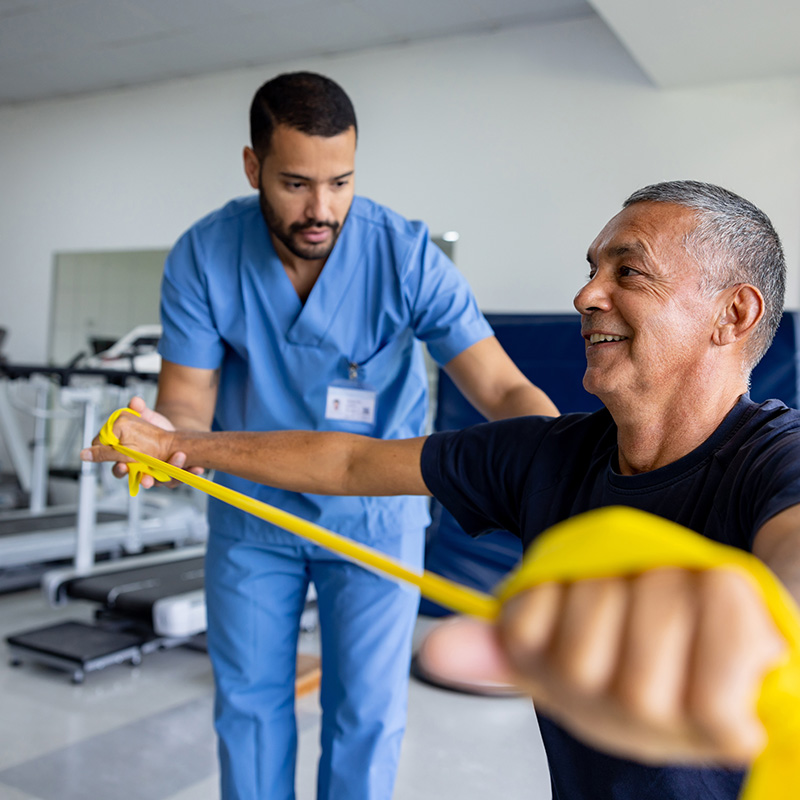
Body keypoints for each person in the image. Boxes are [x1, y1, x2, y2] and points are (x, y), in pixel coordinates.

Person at [85, 179, 800, 799]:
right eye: (591, 269)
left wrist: (759, 618)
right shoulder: (547, 455)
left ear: (732, 314)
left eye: (629, 272)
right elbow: (350, 465)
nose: (586, 294)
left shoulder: (774, 456)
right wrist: (179, 443)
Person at [116, 71, 558, 800]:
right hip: (253, 516)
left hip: (375, 517)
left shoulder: (406, 256)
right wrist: (162, 442)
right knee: (251, 708)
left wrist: (566, 461)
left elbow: (502, 387)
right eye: (294, 183)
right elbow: (187, 406)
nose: (322, 209)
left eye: (341, 182)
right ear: (254, 165)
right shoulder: (204, 255)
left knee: (367, 715)